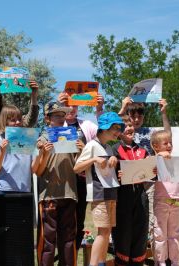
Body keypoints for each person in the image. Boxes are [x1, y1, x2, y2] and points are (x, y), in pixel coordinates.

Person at [118, 97, 171, 248]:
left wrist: (164, 113)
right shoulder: (124, 132)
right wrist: (123, 107)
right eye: (132, 116)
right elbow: (111, 126)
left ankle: (149, 245)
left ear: (144, 117)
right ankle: (134, 243)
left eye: (139, 116)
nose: (136, 119)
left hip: (150, 179)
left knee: (152, 214)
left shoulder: (150, 131)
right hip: (130, 182)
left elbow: (167, 134)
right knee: (133, 214)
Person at [34, 102, 83, 266]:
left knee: (68, 241)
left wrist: (81, 151)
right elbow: (38, 171)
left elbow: (78, 167)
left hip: (69, 194)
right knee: (48, 242)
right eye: (57, 116)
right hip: (49, 196)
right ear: (47, 119)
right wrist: (44, 153)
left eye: (63, 116)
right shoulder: (42, 140)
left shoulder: (72, 136)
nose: (61, 119)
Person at [74, 112, 124, 266]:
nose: (117, 131)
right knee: (102, 233)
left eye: (118, 128)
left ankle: (101, 262)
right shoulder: (91, 145)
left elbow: (109, 171)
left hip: (111, 193)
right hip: (98, 194)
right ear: (103, 128)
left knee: (106, 232)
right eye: (114, 128)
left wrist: (114, 160)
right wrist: (94, 159)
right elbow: (76, 168)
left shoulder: (108, 147)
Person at [58, 91, 103, 251]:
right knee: (62, 219)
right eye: (67, 105)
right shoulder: (57, 124)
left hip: (82, 180)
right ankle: (64, 257)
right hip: (62, 181)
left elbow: (103, 134)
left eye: (74, 105)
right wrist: (58, 108)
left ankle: (73, 256)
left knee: (79, 219)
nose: (71, 108)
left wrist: (99, 109)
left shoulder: (87, 125)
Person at [111, 115, 149, 265]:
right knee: (123, 234)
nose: (129, 128)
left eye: (130, 125)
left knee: (140, 233)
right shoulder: (114, 149)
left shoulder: (142, 150)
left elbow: (150, 174)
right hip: (122, 197)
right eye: (124, 126)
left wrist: (151, 170)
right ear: (119, 131)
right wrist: (116, 175)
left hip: (140, 196)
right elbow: (107, 175)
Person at [151, 130, 179, 266]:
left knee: (175, 233)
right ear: (156, 146)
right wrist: (158, 155)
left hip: (177, 201)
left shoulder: (176, 161)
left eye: (170, 143)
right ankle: (161, 261)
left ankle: (175, 261)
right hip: (161, 201)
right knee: (160, 234)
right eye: (165, 143)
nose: (169, 145)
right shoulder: (154, 161)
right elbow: (147, 168)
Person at [0, 105, 34, 194]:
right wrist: (2, 152)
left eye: (19, 119)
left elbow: (33, 168)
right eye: (13, 120)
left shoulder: (29, 140)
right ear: (4, 122)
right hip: (5, 189)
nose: (17, 122)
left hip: (25, 189)